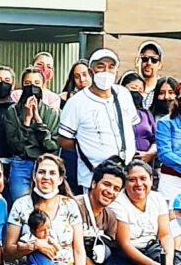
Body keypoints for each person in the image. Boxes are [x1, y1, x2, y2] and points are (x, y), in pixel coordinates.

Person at [57, 46, 138, 188]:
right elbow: (64, 140)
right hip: (92, 178)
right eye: (100, 66)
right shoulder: (76, 102)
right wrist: (87, 146)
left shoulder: (124, 94)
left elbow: (131, 125)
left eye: (111, 67)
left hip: (125, 176)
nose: (106, 71)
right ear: (90, 71)